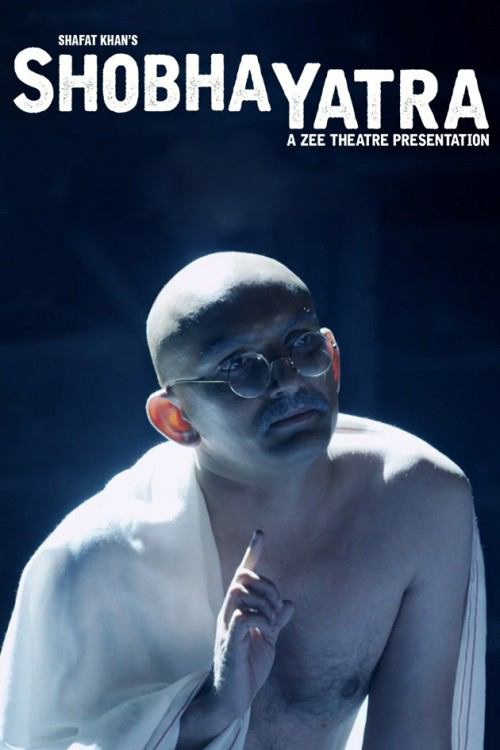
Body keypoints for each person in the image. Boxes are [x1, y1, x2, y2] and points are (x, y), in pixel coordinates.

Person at [0, 252, 485, 750]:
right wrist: (211, 709)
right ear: (176, 420)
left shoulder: (417, 503)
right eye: (239, 368)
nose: (289, 379)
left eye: (303, 346)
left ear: (333, 361)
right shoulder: (92, 566)